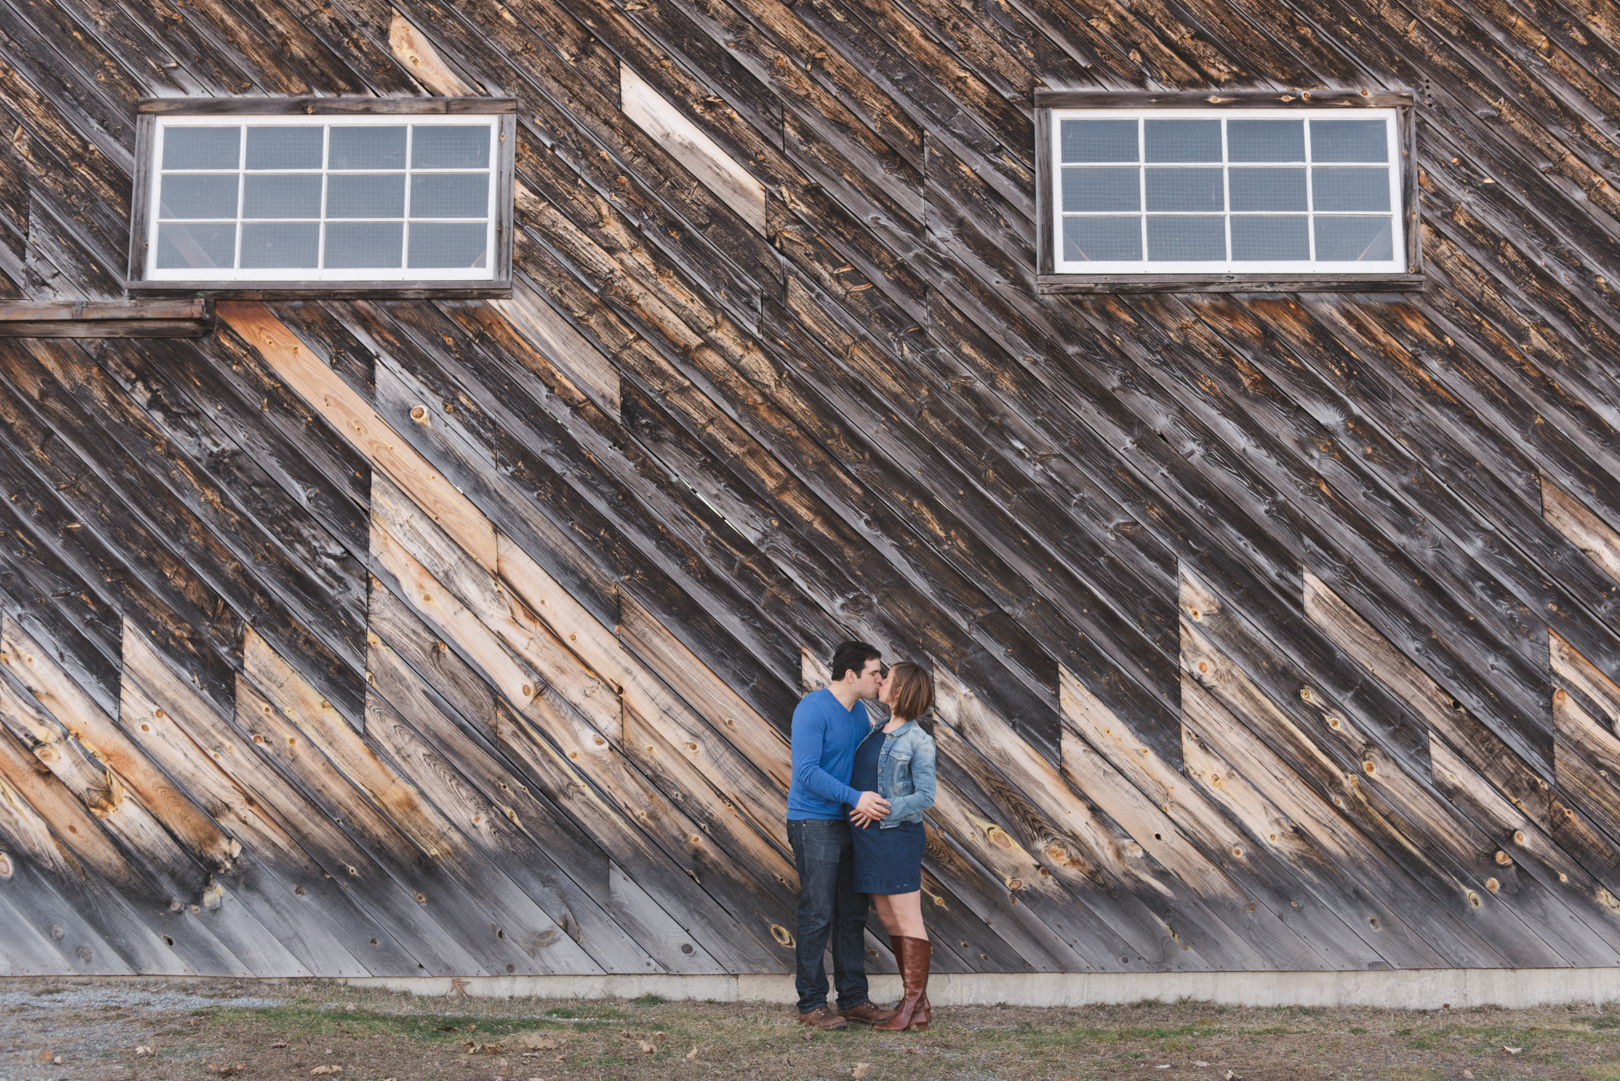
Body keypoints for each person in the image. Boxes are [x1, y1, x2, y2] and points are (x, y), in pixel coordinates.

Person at [786, 641, 896, 1029]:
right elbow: (807, 772)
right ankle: (811, 1006)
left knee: (852, 914)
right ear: (851, 675)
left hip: (852, 824)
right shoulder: (812, 709)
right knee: (816, 914)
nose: (880, 679)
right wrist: (855, 798)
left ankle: (853, 1000)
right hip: (813, 822)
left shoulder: (861, 716)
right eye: (874, 673)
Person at [847, 661, 937, 1032]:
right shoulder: (874, 732)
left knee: (908, 918)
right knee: (887, 918)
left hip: (897, 837)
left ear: (900, 692)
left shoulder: (919, 740)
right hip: (869, 839)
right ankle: (921, 1007)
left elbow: (925, 797)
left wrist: (882, 809)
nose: (881, 681)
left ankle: (909, 1004)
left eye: (889, 679)